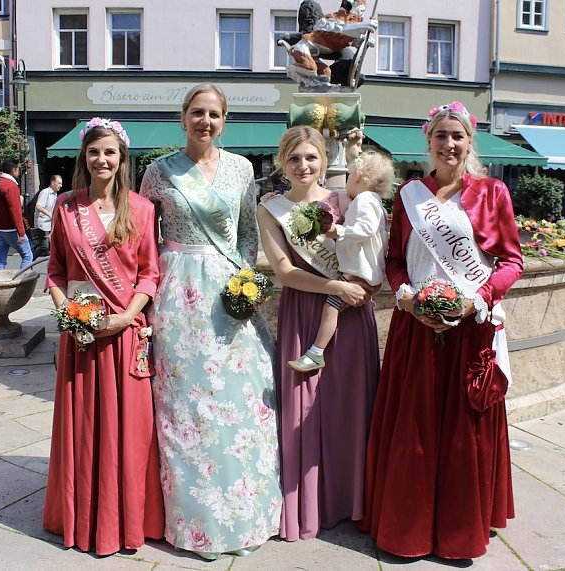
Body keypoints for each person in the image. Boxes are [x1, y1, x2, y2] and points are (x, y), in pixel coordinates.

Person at [357, 101, 523, 559]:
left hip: (469, 329)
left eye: (457, 136)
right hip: (416, 328)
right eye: (441, 135)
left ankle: (457, 532)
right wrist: (407, 296)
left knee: (461, 434)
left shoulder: (491, 193)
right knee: (413, 428)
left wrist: (475, 300)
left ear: (470, 142)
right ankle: (406, 529)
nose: (449, 144)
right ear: (428, 141)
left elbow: (512, 262)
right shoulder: (409, 195)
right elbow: (394, 260)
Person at [140, 84, 281, 558]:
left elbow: (246, 236)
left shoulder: (241, 168)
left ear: (224, 121)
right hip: (178, 294)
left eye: (214, 114)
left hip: (227, 293)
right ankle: (196, 524)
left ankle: (245, 514)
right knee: (187, 406)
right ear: (183, 117)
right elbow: (144, 238)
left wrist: (244, 286)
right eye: (197, 112)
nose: (205, 121)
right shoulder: (158, 171)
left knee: (238, 400)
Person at [42, 118, 165, 555]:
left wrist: (126, 317)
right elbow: (55, 270)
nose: (102, 159)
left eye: (109, 152)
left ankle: (126, 521)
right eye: (94, 151)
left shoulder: (142, 209)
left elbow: (150, 274)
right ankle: (82, 518)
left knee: (130, 432)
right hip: (81, 335)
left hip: (124, 333)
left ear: (121, 158)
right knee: (84, 429)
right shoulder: (66, 207)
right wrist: (70, 314)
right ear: (84, 156)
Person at [258, 125, 380, 541]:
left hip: (350, 314)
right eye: (294, 158)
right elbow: (284, 271)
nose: (303, 165)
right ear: (282, 163)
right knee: (303, 407)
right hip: (307, 311)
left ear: (323, 161)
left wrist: (362, 285)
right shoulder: (271, 209)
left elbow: (371, 247)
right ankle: (307, 506)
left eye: (311, 157)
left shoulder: (344, 200)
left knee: (350, 405)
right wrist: (336, 287)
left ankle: (352, 501)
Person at [287, 149, 391, 372]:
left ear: (359, 176)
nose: (346, 182)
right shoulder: (375, 202)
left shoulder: (364, 200)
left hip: (357, 274)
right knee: (337, 305)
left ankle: (315, 353)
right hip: (366, 273)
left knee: (331, 307)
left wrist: (338, 231)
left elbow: (365, 230)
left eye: (349, 175)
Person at [0, 158, 33, 270]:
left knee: (0, 261)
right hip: (12, 229)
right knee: (27, 256)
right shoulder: (11, 186)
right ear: (14, 170)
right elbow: (15, 210)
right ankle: (22, 279)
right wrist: (21, 232)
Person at [33, 174, 63, 257]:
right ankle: (30, 258)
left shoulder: (55, 194)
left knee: (52, 245)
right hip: (42, 223)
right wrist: (50, 215)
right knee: (44, 246)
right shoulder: (45, 192)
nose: (61, 185)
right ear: (53, 183)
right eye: (59, 183)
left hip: (50, 223)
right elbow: (39, 206)